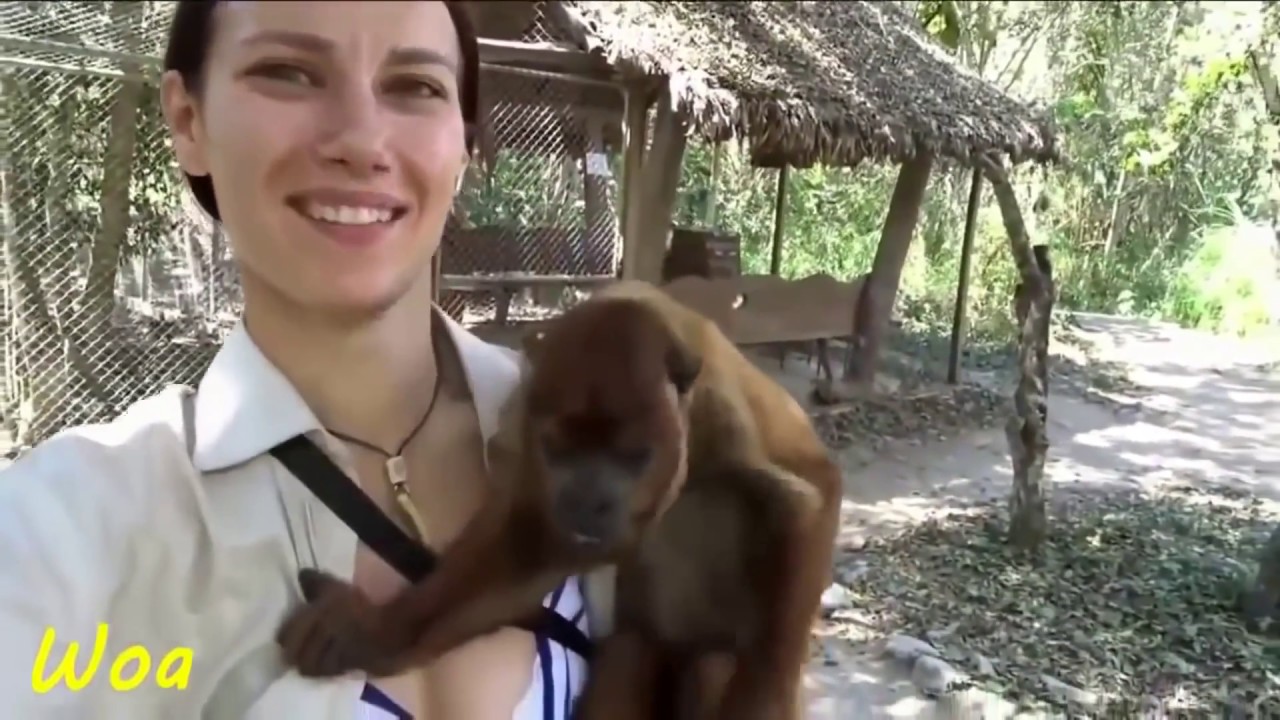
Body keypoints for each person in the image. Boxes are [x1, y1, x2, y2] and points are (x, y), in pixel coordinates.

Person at [0, 2, 595, 718]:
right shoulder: (71, 529)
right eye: (288, 73)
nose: (361, 141)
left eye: (415, 86)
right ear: (190, 122)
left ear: (462, 145)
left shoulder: (627, 436)